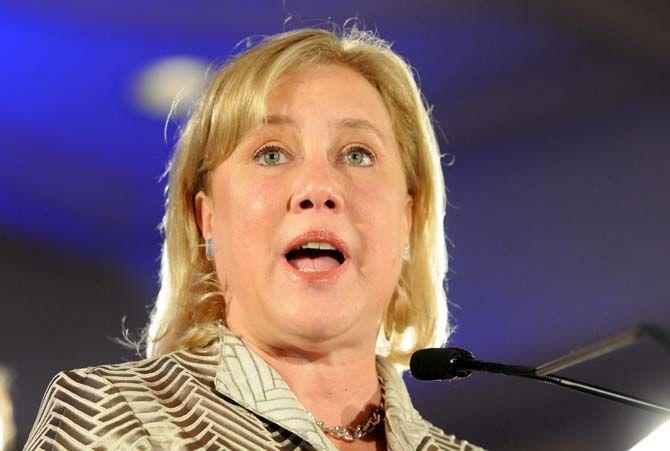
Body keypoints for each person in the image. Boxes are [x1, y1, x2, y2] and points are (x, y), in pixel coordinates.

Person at [25, 27, 483, 451]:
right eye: (271, 153)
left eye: (357, 154)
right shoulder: (118, 414)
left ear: (407, 217)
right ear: (207, 220)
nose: (317, 189)